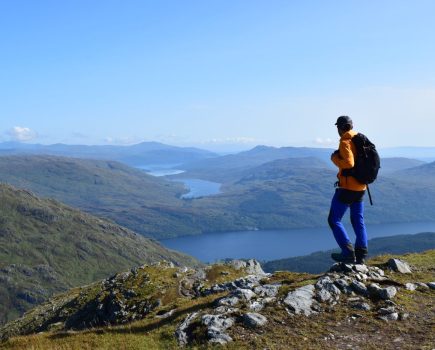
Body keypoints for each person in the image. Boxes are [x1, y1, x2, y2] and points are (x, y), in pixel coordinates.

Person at [328, 116, 368, 264]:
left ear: (340, 128)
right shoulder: (360, 139)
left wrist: (334, 159)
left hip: (347, 188)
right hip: (361, 187)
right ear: (351, 125)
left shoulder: (345, 141)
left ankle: (348, 253)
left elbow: (349, 163)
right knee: (358, 220)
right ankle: (361, 254)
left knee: (333, 219)